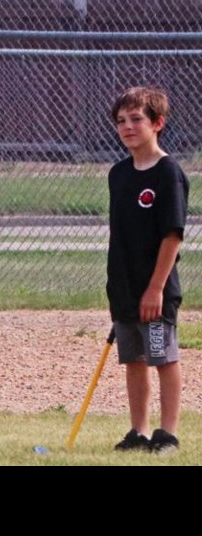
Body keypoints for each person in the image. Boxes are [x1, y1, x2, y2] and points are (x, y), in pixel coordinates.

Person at [107, 87, 188, 453]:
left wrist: (155, 288)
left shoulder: (168, 173)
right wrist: (119, 287)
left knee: (162, 357)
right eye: (121, 121)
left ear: (157, 123)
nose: (127, 126)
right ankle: (138, 431)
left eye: (136, 119)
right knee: (133, 360)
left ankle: (166, 433)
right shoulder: (119, 174)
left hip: (154, 291)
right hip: (124, 288)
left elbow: (172, 236)